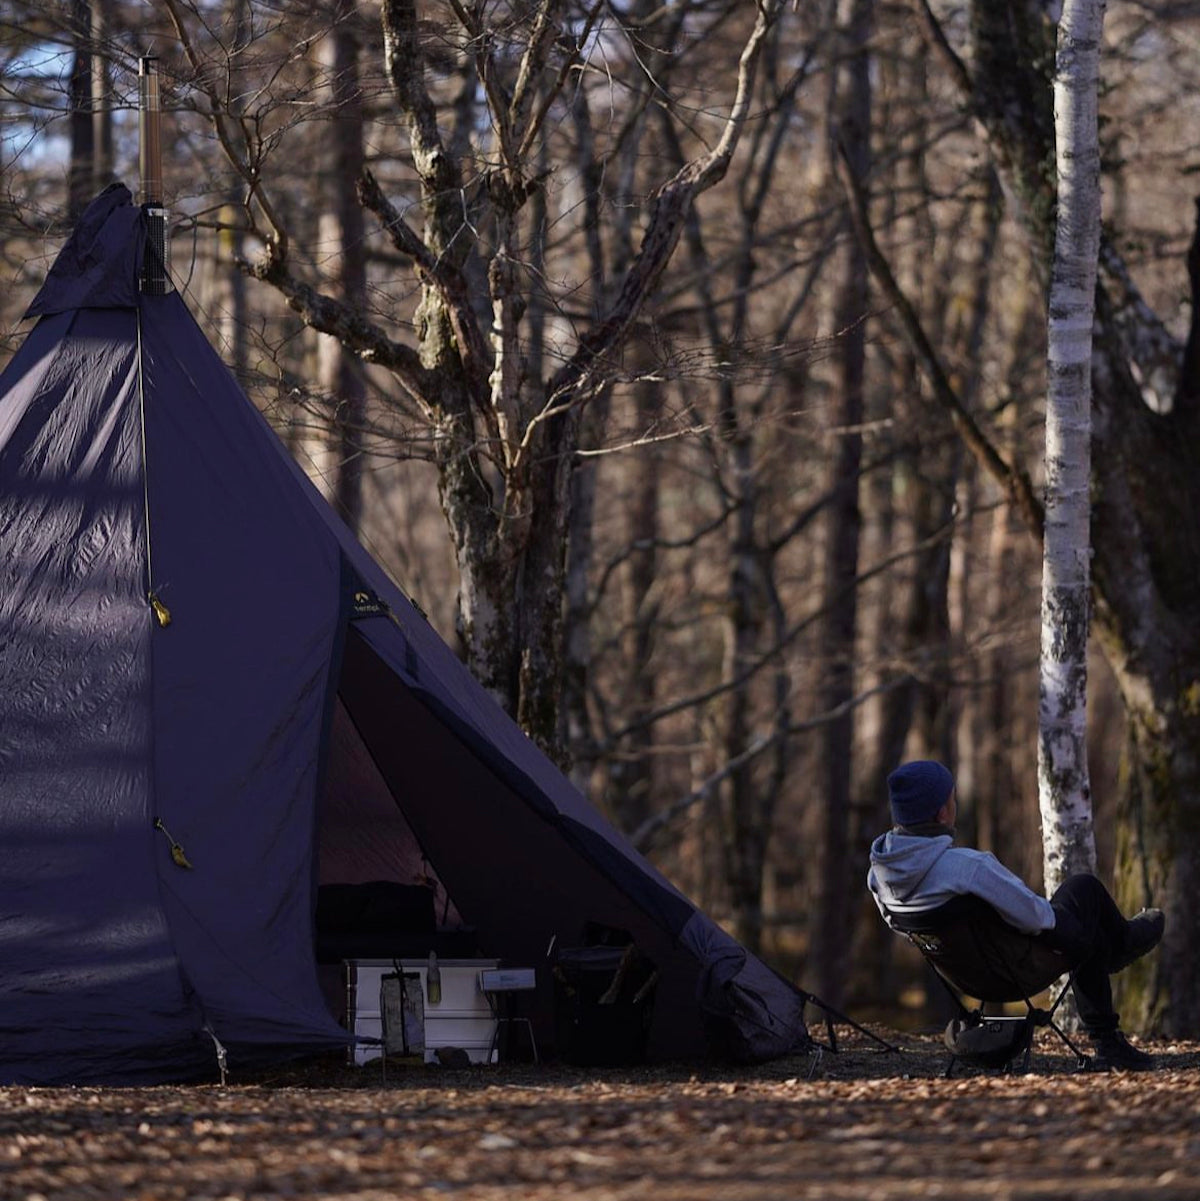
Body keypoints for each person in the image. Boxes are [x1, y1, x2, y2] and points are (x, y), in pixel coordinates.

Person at [867, 759, 1165, 1071]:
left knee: (1082, 923)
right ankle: (1119, 966)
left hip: (966, 979)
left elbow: (902, 928)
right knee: (1084, 892)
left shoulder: (879, 874)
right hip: (1019, 970)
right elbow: (1036, 917)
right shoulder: (967, 868)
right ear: (942, 812)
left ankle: (1115, 948)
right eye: (952, 798)